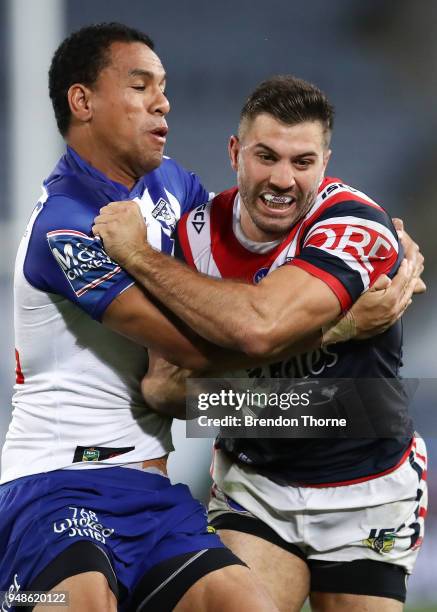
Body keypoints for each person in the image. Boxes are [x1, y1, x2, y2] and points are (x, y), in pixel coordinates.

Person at [93, 75, 427, 611]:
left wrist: (139, 257)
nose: (282, 179)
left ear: (325, 162)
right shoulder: (193, 237)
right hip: (257, 484)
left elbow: (258, 328)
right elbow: (163, 391)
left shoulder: (353, 225)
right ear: (235, 152)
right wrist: (337, 332)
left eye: (302, 162)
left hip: (367, 485)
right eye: (266, 156)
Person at [0, 22, 288, 612]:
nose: (163, 102)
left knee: (248, 606)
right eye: (139, 85)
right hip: (52, 487)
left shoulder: (173, 186)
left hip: (150, 491)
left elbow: (246, 278)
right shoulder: (65, 224)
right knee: (80, 604)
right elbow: (202, 346)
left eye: (163, 86)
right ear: (82, 102)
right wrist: (337, 323)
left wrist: (358, 259)